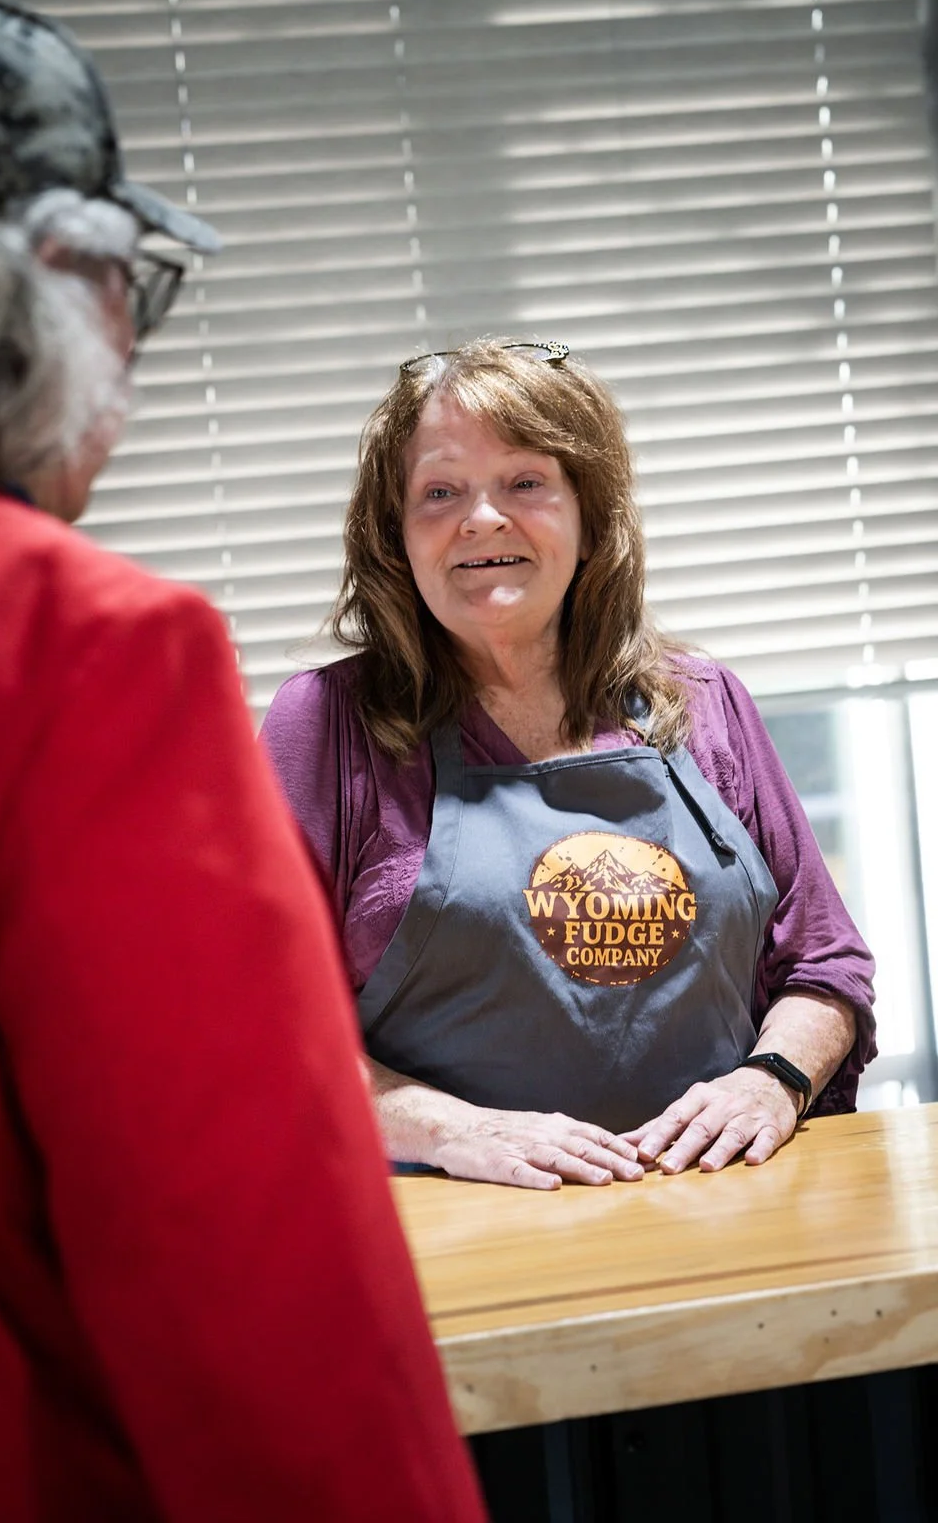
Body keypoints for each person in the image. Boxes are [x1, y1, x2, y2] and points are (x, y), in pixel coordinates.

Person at [0, 0, 487, 1521]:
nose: (130, 352)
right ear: (19, 288)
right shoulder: (61, 647)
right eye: (123, 288)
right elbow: (247, 1269)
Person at [262, 338, 877, 1192]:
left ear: (588, 517)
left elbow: (825, 968)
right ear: (397, 536)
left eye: (524, 482)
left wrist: (770, 1080)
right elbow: (258, 1021)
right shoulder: (330, 726)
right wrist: (452, 1128)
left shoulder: (703, 703)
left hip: (724, 1207)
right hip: (460, 1228)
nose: (482, 519)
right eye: (440, 492)